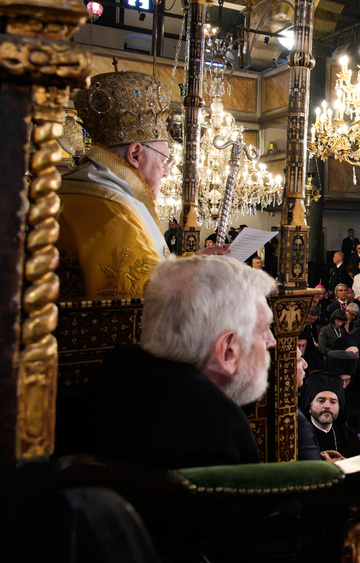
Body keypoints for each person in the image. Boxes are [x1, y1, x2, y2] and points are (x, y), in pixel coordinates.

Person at [72, 255, 275, 468]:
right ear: (228, 351)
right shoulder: (213, 428)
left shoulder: (113, 376)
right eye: (263, 331)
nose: (271, 342)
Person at [56, 71, 177, 299]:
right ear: (135, 154)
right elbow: (153, 301)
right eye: (163, 161)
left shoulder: (73, 189)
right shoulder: (116, 215)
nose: (166, 172)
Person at [300, 372, 360, 457]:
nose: (327, 406)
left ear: (339, 407)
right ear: (309, 407)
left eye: (333, 402)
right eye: (321, 401)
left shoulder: (349, 435)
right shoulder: (299, 435)